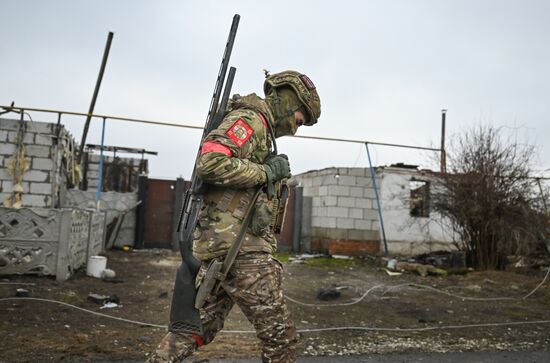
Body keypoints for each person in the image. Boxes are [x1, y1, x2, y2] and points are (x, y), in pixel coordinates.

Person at [147, 70, 321, 363]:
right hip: (241, 250)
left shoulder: (262, 131)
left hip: (228, 249)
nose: (295, 129)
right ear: (289, 101)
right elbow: (210, 163)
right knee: (280, 339)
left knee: (198, 327)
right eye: (299, 120)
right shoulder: (251, 121)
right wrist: (264, 172)